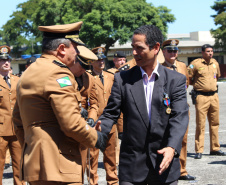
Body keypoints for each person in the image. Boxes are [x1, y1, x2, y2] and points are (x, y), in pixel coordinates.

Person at [12, 21, 105, 185]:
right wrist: (96, 138)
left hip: (36, 167)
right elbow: (72, 123)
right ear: (62, 49)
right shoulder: (58, 72)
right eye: (75, 49)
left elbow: (18, 121)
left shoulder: (29, 72)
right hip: (60, 166)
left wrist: (35, 147)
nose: (77, 53)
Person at [97, 25, 189, 185]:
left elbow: (179, 117)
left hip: (164, 164)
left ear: (156, 48)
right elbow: (110, 114)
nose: (134, 53)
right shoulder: (122, 79)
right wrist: (97, 131)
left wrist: (172, 147)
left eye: (139, 48)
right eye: (133, 48)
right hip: (132, 166)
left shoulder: (175, 80)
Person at [162, 39, 195, 181]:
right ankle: (164, 168)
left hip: (181, 109)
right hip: (165, 109)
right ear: (163, 52)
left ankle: (182, 170)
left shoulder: (182, 66)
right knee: (165, 139)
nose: (173, 53)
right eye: (169, 50)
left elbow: (186, 84)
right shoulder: (159, 67)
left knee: (182, 140)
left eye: (175, 50)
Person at [87, 47, 118, 185]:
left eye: (102, 59)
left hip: (110, 122)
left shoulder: (110, 76)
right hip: (94, 123)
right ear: (91, 62)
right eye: (98, 60)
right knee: (92, 157)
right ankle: (93, 182)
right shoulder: (87, 77)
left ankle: (112, 181)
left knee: (111, 156)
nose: (101, 62)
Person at [188, 44, 226, 159]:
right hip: (201, 97)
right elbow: (189, 78)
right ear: (203, 52)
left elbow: (218, 76)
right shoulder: (196, 63)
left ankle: (215, 148)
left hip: (214, 96)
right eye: (208, 51)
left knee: (215, 123)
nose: (210, 53)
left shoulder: (215, 63)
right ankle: (199, 150)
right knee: (201, 124)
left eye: (212, 51)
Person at [68, 47, 99, 182]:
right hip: (68, 125)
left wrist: (91, 118)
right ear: (74, 61)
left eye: (86, 67)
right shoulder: (63, 77)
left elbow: (94, 103)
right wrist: (78, 109)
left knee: (83, 163)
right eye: (81, 66)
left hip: (84, 126)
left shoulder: (89, 78)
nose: (83, 70)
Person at [0, 45, 25, 185]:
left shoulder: (17, 80)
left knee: (19, 166)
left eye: (8, 60)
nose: (6, 63)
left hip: (17, 129)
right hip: (0, 131)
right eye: (2, 61)